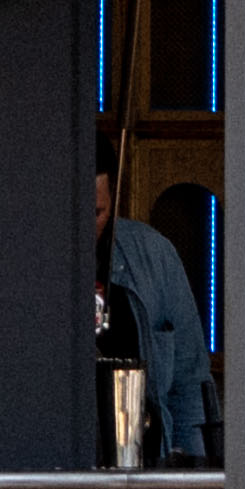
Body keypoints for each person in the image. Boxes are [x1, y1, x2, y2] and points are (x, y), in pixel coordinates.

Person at [97, 189, 212, 464]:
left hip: (143, 465)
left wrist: (192, 481)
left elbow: (190, 387)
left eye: (96, 213)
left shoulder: (153, 255)